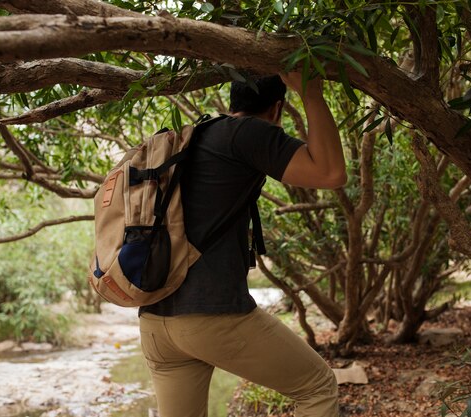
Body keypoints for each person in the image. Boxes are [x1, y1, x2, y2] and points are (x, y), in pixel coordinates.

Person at [138, 72, 346, 417]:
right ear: (277, 109)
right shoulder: (247, 132)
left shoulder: (194, 137)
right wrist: (312, 94)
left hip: (156, 321)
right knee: (317, 388)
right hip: (210, 314)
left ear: (233, 99)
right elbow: (331, 173)